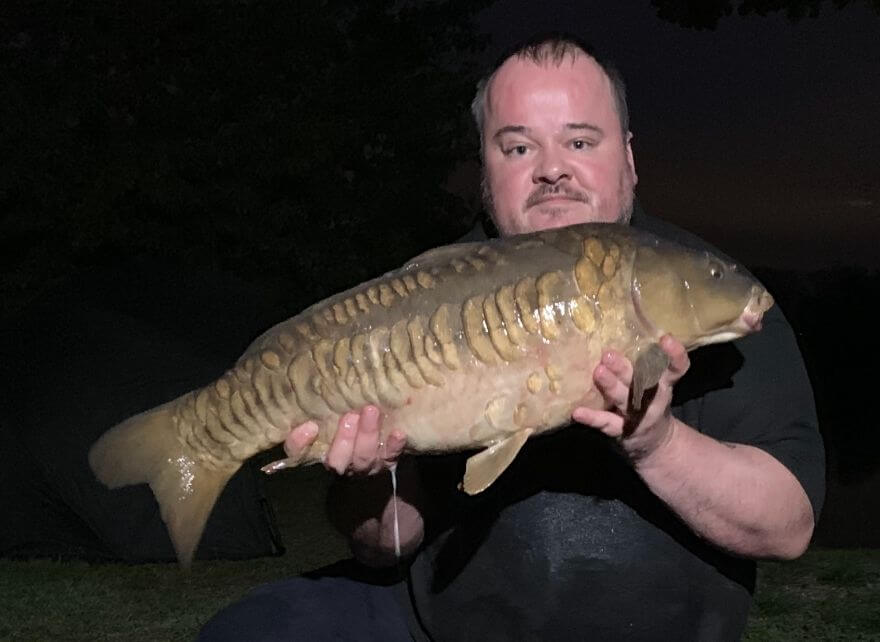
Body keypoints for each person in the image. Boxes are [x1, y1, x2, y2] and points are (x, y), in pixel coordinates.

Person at [198, 33, 824, 641]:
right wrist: (369, 476)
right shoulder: (430, 291)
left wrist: (655, 443)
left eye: (580, 140)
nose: (553, 169)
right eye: (518, 148)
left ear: (628, 159)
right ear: (485, 170)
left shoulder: (695, 286)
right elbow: (385, 548)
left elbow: (787, 527)